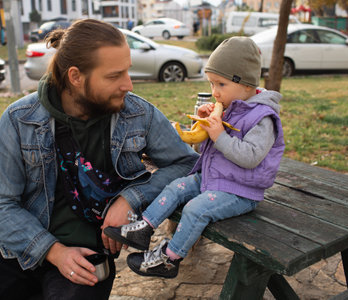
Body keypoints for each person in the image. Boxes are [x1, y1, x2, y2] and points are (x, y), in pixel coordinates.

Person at [0, 19, 198, 299]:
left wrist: (131, 198)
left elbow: (186, 164)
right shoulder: (20, 119)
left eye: (127, 71)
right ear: (75, 76)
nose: (128, 84)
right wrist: (53, 251)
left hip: (89, 260)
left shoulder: (138, 114)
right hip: (21, 248)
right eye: (114, 76)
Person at [104, 36, 286, 278]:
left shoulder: (263, 118)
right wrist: (202, 124)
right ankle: (144, 229)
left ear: (245, 84)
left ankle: (169, 259)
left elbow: (250, 157)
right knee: (175, 187)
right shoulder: (231, 105)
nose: (215, 93)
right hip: (213, 179)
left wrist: (220, 135)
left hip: (240, 192)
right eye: (211, 84)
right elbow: (205, 151)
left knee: (195, 209)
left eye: (220, 85)